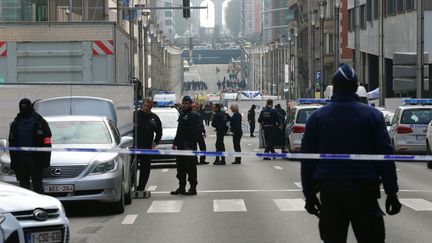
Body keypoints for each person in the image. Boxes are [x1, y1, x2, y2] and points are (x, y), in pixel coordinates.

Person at [301, 64, 401, 243]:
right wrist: (391, 192)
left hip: (330, 190)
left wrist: (309, 195)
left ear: (334, 88)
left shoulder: (317, 118)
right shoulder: (372, 116)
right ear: (356, 87)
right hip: (364, 190)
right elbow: (385, 158)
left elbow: (307, 161)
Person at [9, 98, 52, 193]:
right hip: (21, 161)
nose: (23, 108)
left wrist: (46, 160)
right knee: (23, 189)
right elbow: (11, 143)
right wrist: (13, 162)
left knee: (37, 187)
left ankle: (39, 206)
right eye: (22, 106)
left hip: (36, 161)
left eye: (25, 105)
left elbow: (47, 141)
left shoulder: (40, 122)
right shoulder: (16, 123)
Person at [171, 96, 200, 195]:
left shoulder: (193, 115)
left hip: (189, 147)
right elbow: (179, 131)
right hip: (180, 146)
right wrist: (175, 142)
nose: (184, 105)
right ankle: (181, 187)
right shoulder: (182, 114)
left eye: (186, 103)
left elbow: (195, 132)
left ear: (191, 104)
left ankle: (193, 188)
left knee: (190, 168)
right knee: (181, 168)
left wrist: (190, 146)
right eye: (183, 103)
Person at [134, 98, 162, 192]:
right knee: (131, 168)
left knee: (145, 169)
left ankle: (141, 187)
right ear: (142, 105)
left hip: (147, 148)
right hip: (134, 147)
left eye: (149, 106)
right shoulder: (135, 115)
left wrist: (155, 142)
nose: (147, 108)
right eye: (145, 106)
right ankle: (130, 185)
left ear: (151, 107)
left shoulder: (154, 118)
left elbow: (159, 132)